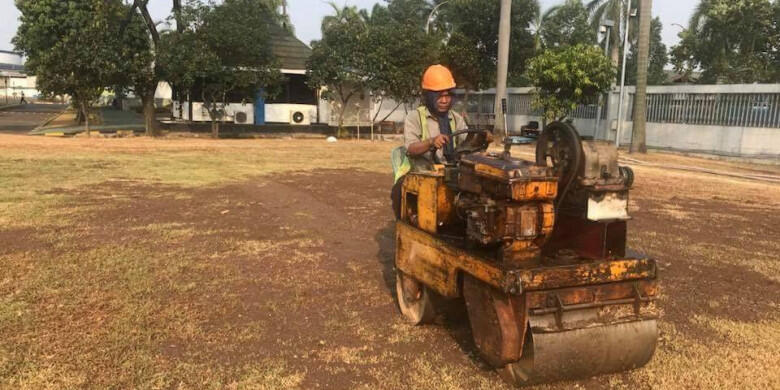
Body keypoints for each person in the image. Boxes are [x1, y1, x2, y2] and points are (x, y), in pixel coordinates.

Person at [391, 64, 469, 219]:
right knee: (399, 190)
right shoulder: (415, 117)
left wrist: (481, 139)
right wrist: (431, 142)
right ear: (429, 97)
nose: (444, 100)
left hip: (452, 173)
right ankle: (405, 227)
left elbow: (467, 143)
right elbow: (411, 149)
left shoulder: (455, 118)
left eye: (448, 96)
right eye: (439, 96)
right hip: (422, 172)